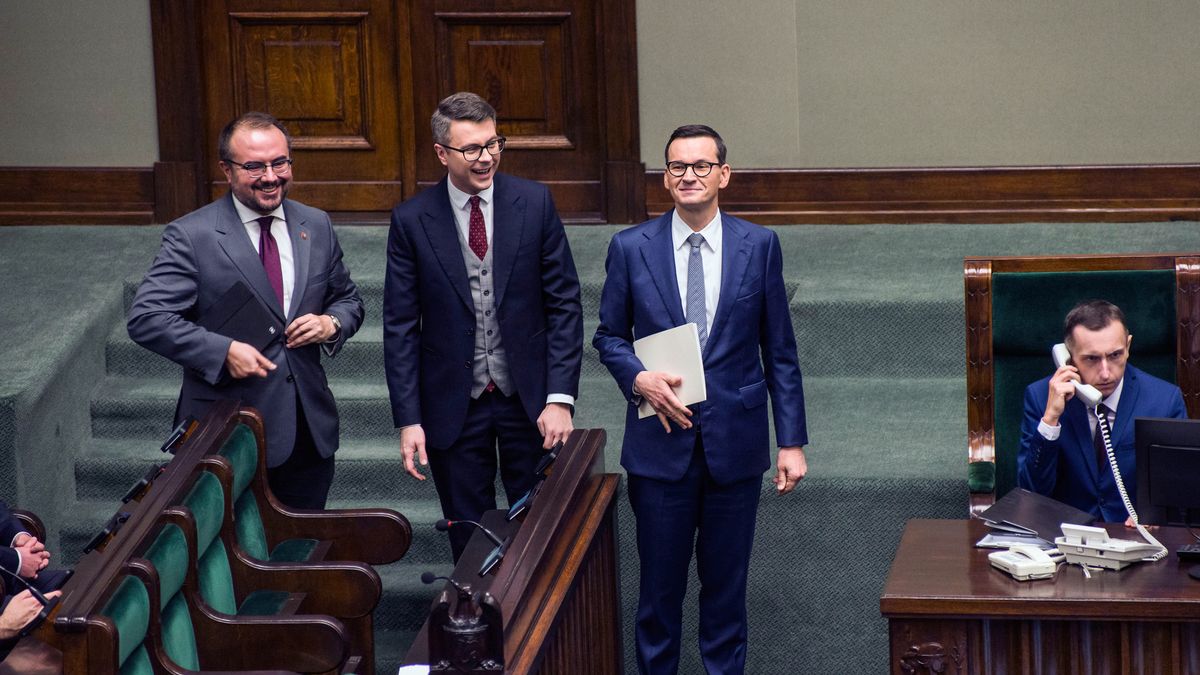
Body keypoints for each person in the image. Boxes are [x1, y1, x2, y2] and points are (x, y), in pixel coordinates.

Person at [593, 124, 808, 674]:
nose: (689, 175)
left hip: (733, 449)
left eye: (701, 166)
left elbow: (779, 349)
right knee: (659, 601)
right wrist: (637, 377)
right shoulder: (630, 247)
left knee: (726, 599)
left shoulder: (758, 245)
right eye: (678, 167)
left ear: (724, 175)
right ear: (666, 179)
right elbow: (608, 337)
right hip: (659, 449)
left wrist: (791, 441)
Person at [128, 111, 364, 510]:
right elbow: (147, 318)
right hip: (226, 433)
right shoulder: (193, 235)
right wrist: (222, 352)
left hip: (307, 431)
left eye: (280, 162)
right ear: (227, 169)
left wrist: (331, 323)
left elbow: (349, 299)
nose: (271, 177)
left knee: (301, 554)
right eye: (254, 166)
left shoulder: (316, 224)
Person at [384, 92, 583, 561]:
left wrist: (559, 398)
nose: (486, 157)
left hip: (528, 399)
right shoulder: (412, 220)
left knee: (536, 534)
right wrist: (409, 418)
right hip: (454, 403)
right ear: (442, 153)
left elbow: (564, 305)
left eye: (494, 144)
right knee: (471, 540)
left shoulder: (534, 203)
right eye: (471, 148)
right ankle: (480, 630)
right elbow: (399, 326)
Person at [1018, 300, 1187, 521]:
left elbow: (1183, 494)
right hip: (1065, 540)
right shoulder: (1040, 398)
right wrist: (1051, 420)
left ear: (1128, 346)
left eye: (1115, 355)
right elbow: (1031, 493)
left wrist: (1155, 518)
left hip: (1135, 541)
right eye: (1092, 358)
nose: (1106, 373)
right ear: (1067, 357)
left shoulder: (1164, 401)